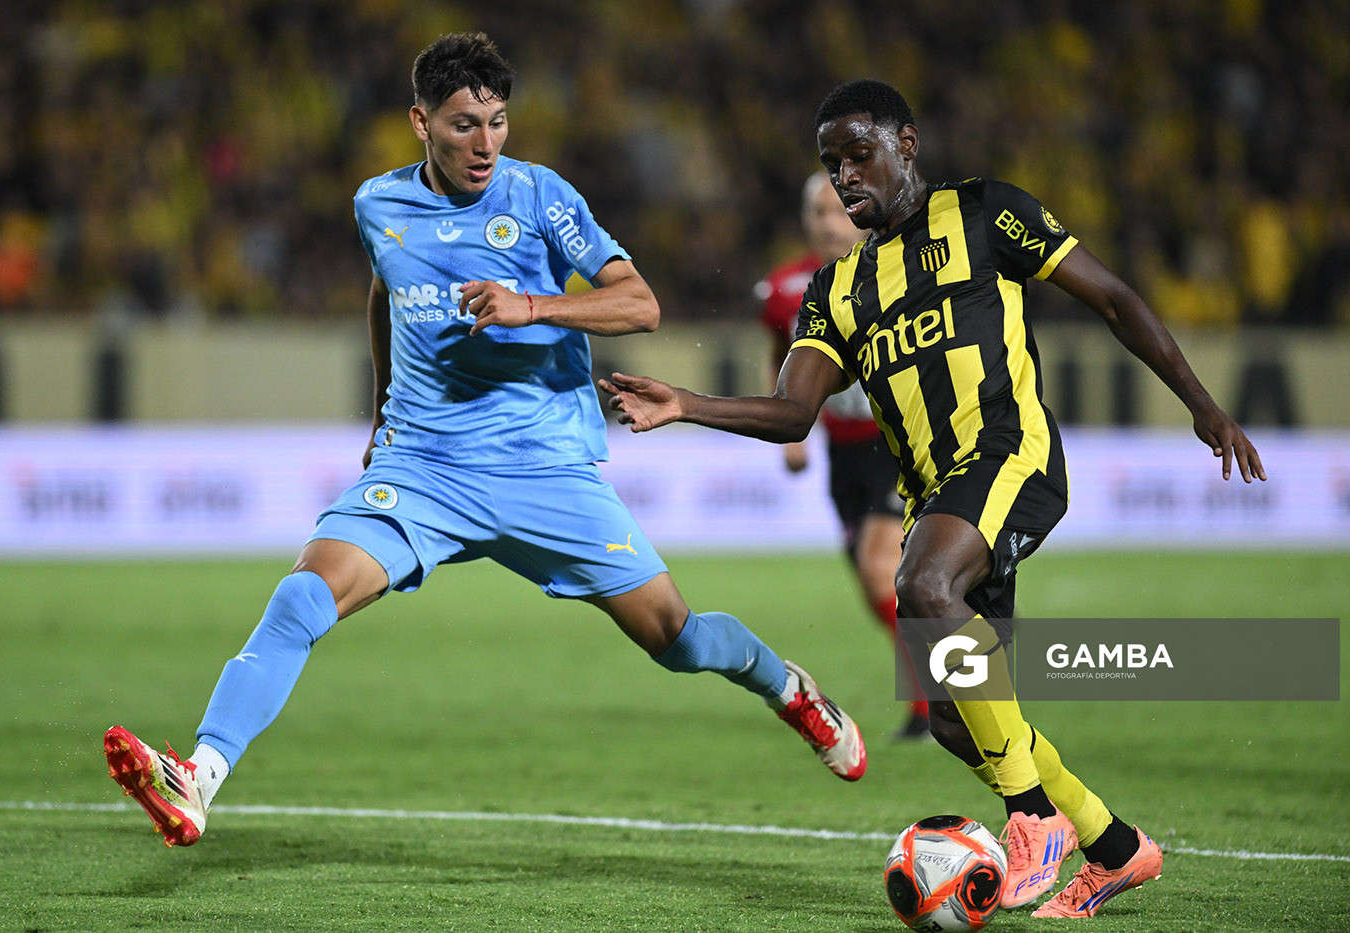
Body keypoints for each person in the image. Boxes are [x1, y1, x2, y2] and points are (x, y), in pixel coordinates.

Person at [103, 32, 866, 849]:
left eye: (498, 122)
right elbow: (383, 291)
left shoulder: (540, 198)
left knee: (675, 638)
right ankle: (201, 776)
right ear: (419, 123)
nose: (486, 144)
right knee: (300, 596)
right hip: (424, 466)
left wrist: (529, 305)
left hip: (544, 469)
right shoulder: (377, 205)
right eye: (465, 124)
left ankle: (785, 686)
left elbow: (639, 304)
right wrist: (380, 406)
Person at [600, 78, 1265, 919]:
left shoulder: (987, 213)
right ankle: (1116, 847)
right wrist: (686, 404)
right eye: (830, 165)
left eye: (858, 154)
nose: (845, 178)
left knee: (921, 584)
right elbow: (792, 412)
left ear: (904, 144)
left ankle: (1032, 820)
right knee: (960, 723)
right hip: (934, 495)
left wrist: (1202, 405)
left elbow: (1113, 298)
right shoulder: (837, 291)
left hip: (1010, 456)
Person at [757, 171, 927, 740]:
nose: (830, 222)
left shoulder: (899, 270)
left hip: (899, 440)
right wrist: (796, 433)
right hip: (844, 450)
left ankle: (940, 703)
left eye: (839, 211)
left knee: (885, 570)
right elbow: (781, 354)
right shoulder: (786, 287)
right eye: (818, 213)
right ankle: (966, 648)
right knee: (874, 579)